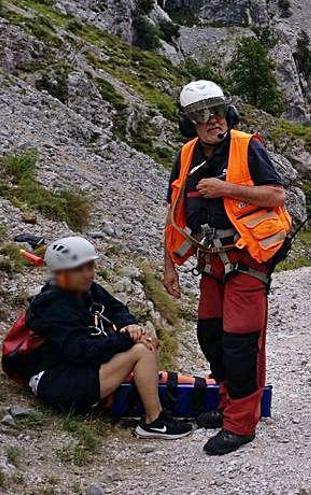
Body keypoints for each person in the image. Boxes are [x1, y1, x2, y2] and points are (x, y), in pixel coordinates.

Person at [163, 80, 291, 455]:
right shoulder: (186, 155)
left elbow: (276, 195)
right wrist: (170, 267)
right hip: (211, 263)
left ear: (227, 112)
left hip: (246, 262)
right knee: (210, 336)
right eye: (200, 116)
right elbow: (173, 214)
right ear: (190, 123)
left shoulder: (246, 146)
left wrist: (227, 189)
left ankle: (241, 424)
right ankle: (227, 403)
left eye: (216, 111)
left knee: (240, 344)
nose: (212, 121)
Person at [26, 236, 193, 440]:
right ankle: (153, 421)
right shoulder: (52, 306)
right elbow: (79, 351)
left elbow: (116, 309)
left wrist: (129, 325)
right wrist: (124, 340)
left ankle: (148, 411)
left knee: (142, 341)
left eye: (91, 267)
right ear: (62, 274)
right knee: (141, 348)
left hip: (73, 371)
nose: (89, 274)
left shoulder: (85, 290)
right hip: (56, 382)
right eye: (81, 269)